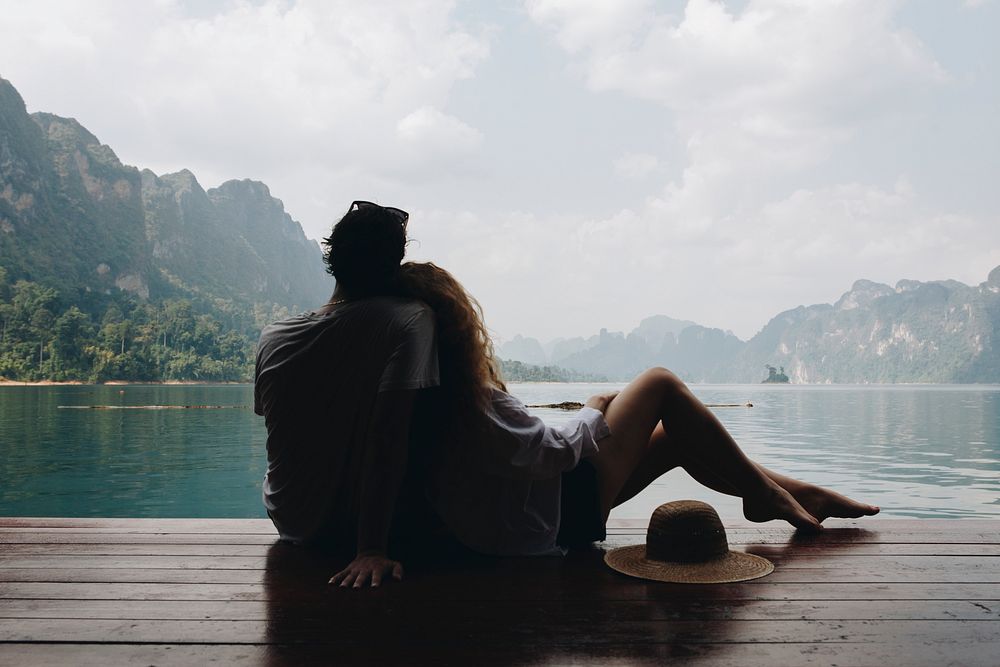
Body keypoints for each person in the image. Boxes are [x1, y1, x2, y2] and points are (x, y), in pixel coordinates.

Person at [393, 261, 880, 562]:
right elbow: (554, 452)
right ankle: (765, 494)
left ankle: (792, 494)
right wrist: (594, 408)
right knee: (660, 382)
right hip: (553, 522)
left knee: (672, 438)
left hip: (539, 514)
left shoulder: (416, 398)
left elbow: (523, 450)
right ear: (458, 328)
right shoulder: (470, 401)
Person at [254, 201, 440, 589]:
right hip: (352, 531)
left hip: (290, 520)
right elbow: (388, 436)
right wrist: (370, 548)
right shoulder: (410, 318)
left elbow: (281, 429)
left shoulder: (273, 337)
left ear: (332, 256)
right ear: (395, 262)